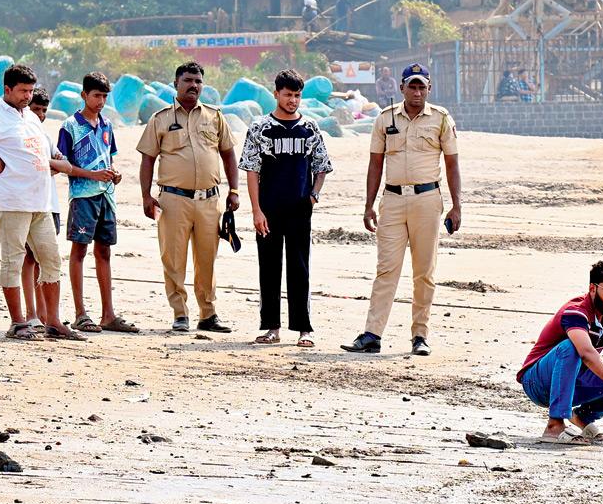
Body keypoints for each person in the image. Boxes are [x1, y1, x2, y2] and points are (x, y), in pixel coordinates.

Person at [0, 64, 85, 341]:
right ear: (7, 89)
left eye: (30, 91)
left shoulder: (30, 117)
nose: (27, 96)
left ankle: (53, 321)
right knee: (12, 261)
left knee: (50, 260)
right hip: (11, 200)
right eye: (23, 91)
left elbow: (43, 152)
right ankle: (18, 322)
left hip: (40, 202)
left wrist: (55, 162)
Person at [341, 64, 461, 356]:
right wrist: (368, 205)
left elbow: (452, 164)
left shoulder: (441, 119)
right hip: (392, 201)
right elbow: (375, 164)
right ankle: (372, 334)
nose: (417, 92)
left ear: (429, 89)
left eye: (422, 87)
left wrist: (457, 206)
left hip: (427, 200)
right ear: (402, 88)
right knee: (386, 270)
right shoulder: (384, 119)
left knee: (424, 272)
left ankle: (420, 336)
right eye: (412, 86)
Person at [136, 61, 240, 333]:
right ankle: (180, 314)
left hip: (210, 201)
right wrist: (146, 196)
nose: (194, 85)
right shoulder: (160, 119)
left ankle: (208, 314)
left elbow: (228, 154)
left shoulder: (215, 117)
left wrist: (235, 190)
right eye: (188, 81)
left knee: (207, 259)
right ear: (176, 84)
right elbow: (148, 159)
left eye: (198, 81)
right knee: (173, 258)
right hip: (173, 201)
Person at [239, 69, 333, 347]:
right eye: (288, 95)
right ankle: (271, 328)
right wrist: (256, 210)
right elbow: (252, 171)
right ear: (276, 93)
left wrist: (314, 195)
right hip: (268, 209)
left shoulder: (310, 128)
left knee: (300, 267)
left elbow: (322, 166)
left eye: (297, 95)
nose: (293, 100)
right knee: (268, 268)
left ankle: (304, 328)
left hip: (299, 210)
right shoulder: (260, 128)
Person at [518, 261, 603, 444]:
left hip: (572, 381)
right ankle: (555, 424)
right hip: (538, 382)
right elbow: (587, 354)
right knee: (570, 347)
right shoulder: (576, 311)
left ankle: (583, 418)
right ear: (592, 288)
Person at [58, 72, 138, 334]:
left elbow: (109, 156)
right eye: (96, 96)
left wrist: (115, 173)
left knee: (104, 252)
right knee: (79, 251)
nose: (101, 101)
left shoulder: (106, 125)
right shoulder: (69, 126)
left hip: (106, 197)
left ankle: (108, 314)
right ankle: (81, 313)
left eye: (104, 96)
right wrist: (92, 175)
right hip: (82, 197)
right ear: (84, 95)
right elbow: (63, 165)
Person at [19, 87, 61, 334]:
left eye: (44, 110)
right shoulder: (24, 133)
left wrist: (50, 166)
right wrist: (50, 166)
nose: (41, 114)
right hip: (29, 204)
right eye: (36, 109)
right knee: (29, 259)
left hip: (49, 204)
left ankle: (46, 313)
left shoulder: (44, 136)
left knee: (46, 259)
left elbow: (59, 161)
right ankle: (31, 312)